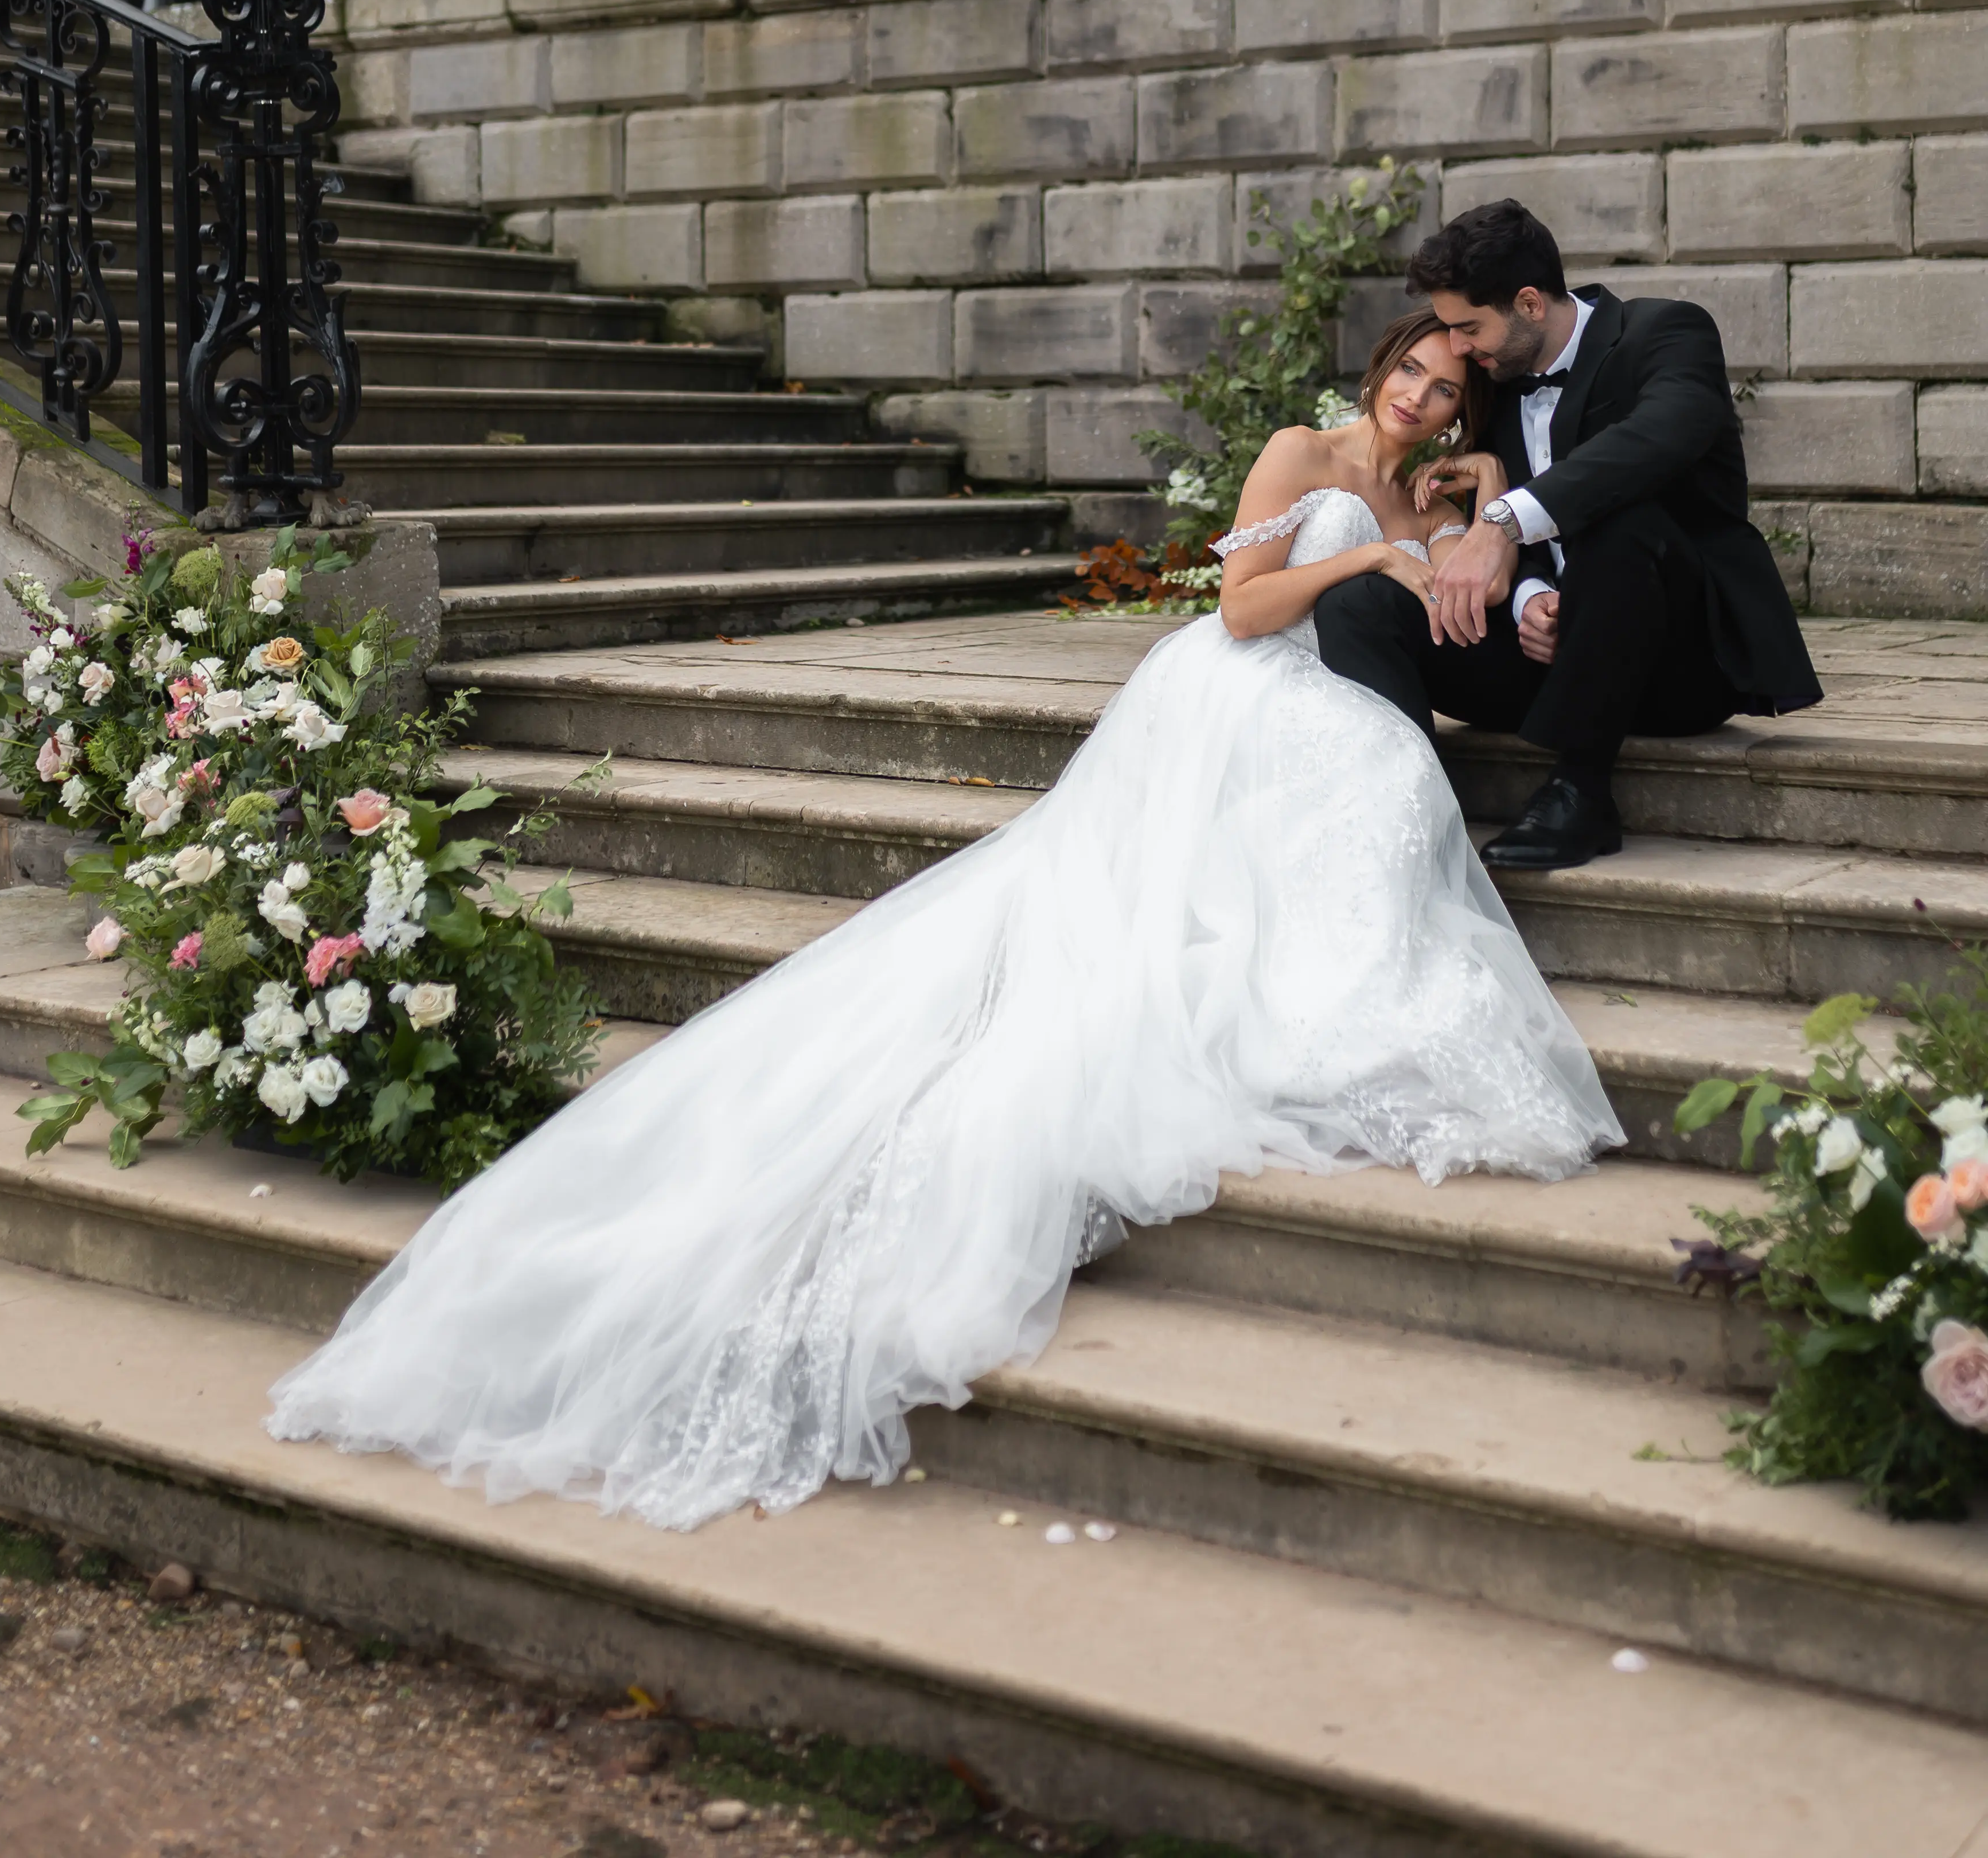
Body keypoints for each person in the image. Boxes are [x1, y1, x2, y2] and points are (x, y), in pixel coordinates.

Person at [265, 307, 1618, 1530]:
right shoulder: (1299, 450)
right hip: (1234, 686)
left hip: (1318, 696)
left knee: (1379, 775)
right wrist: (1369, 552)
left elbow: (1446, 581)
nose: (1423, 402)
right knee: (1295, 812)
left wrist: (1478, 501)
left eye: (1447, 394)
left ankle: (1336, 980)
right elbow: (1243, 605)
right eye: (1412, 375)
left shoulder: (1419, 475)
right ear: (1378, 366)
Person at [1313, 197, 1821, 877]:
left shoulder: (1666, 333)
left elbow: (1659, 438)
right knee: (1360, 603)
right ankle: (1414, 805)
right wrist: (1527, 598)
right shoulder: (1496, 382)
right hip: (1548, 661)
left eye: (1468, 328)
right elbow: (1504, 556)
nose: (1458, 350)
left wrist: (1503, 519)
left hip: (1678, 663)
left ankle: (1580, 793)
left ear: (1528, 304)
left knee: (1620, 519)